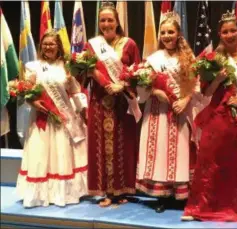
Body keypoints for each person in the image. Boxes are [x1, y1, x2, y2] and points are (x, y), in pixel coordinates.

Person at [182, 11, 237, 221]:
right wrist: (217, 79)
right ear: (219, 34)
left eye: (233, 31)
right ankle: (204, 206)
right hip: (217, 117)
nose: (229, 35)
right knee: (211, 163)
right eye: (225, 32)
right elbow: (207, 93)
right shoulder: (212, 58)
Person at [16, 31, 88, 207]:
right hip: (42, 119)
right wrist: (33, 102)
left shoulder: (67, 66)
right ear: (41, 46)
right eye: (45, 44)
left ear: (59, 47)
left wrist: (83, 111)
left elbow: (75, 90)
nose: (48, 47)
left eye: (52, 44)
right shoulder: (33, 66)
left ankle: (64, 193)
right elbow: (27, 91)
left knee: (62, 154)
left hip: (63, 119)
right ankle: (41, 195)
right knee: (41, 155)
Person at [136, 13, 198, 213]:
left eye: (170, 32)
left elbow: (196, 84)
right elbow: (142, 86)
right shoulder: (154, 59)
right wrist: (155, 91)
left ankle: (180, 194)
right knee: (159, 150)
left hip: (180, 111)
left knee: (179, 152)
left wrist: (185, 100)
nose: (166, 36)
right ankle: (162, 195)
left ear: (178, 33)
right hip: (158, 113)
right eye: (163, 32)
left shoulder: (188, 58)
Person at [86, 1, 141, 207]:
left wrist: (122, 86)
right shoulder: (92, 45)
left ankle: (124, 189)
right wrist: (105, 82)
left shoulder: (130, 44)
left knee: (123, 145)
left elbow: (137, 73)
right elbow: (87, 70)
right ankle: (108, 191)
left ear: (117, 22)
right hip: (100, 102)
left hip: (122, 102)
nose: (106, 24)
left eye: (110, 20)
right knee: (102, 146)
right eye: (103, 20)